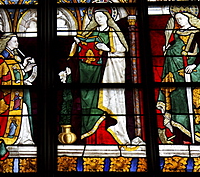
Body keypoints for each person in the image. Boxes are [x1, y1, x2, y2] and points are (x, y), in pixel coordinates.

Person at [60, 8, 142, 146]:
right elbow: (78, 53)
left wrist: (108, 49)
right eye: (96, 17)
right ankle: (90, 140)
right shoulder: (90, 33)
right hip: (89, 75)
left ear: (107, 17)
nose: (98, 19)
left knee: (108, 102)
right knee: (89, 105)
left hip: (107, 74)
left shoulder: (112, 32)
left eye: (101, 16)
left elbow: (121, 50)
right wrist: (70, 64)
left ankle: (117, 136)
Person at [157, 8, 200, 144]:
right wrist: (168, 48)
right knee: (177, 102)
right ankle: (180, 136)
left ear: (188, 18)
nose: (179, 21)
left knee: (195, 102)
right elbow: (176, 45)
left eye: (181, 18)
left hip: (191, 71)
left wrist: (194, 65)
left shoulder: (195, 32)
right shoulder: (177, 33)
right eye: (177, 19)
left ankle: (199, 136)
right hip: (175, 72)